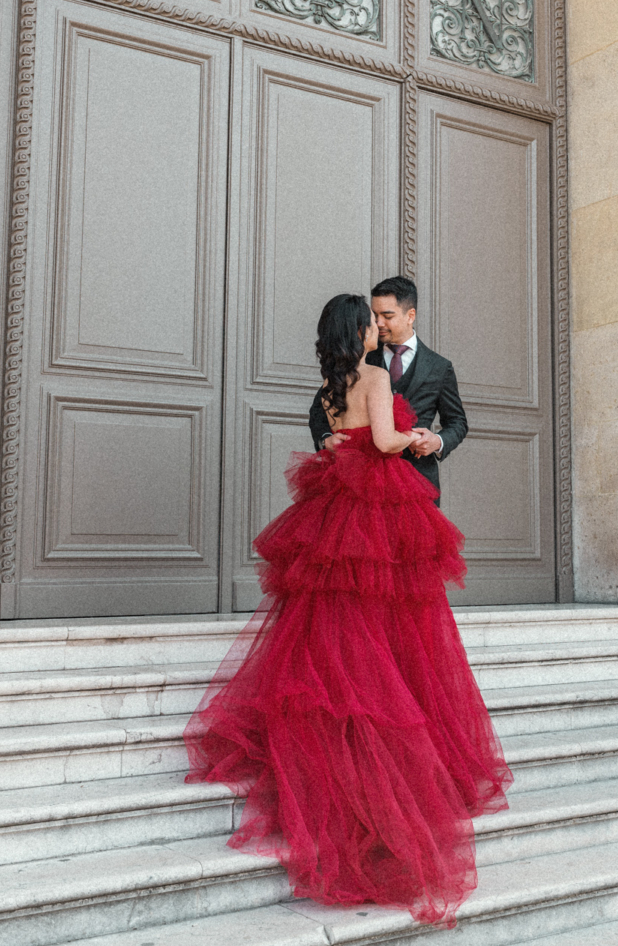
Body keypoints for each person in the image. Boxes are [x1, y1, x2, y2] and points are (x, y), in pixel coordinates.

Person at [183, 293, 510, 927]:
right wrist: (414, 438)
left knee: (335, 620)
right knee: (395, 621)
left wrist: (359, 441)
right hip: (378, 507)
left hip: (339, 509)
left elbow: (336, 441)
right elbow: (384, 440)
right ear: (359, 330)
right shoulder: (378, 374)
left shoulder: (331, 384)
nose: (376, 327)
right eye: (369, 320)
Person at [310, 277, 466, 506]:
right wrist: (326, 441)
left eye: (388, 316)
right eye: (374, 316)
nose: (379, 323)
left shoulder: (439, 367)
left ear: (410, 315)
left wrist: (437, 441)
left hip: (416, 485)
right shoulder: (358, 357)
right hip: (359, 484)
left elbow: (458, 422)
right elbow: (319, 413)